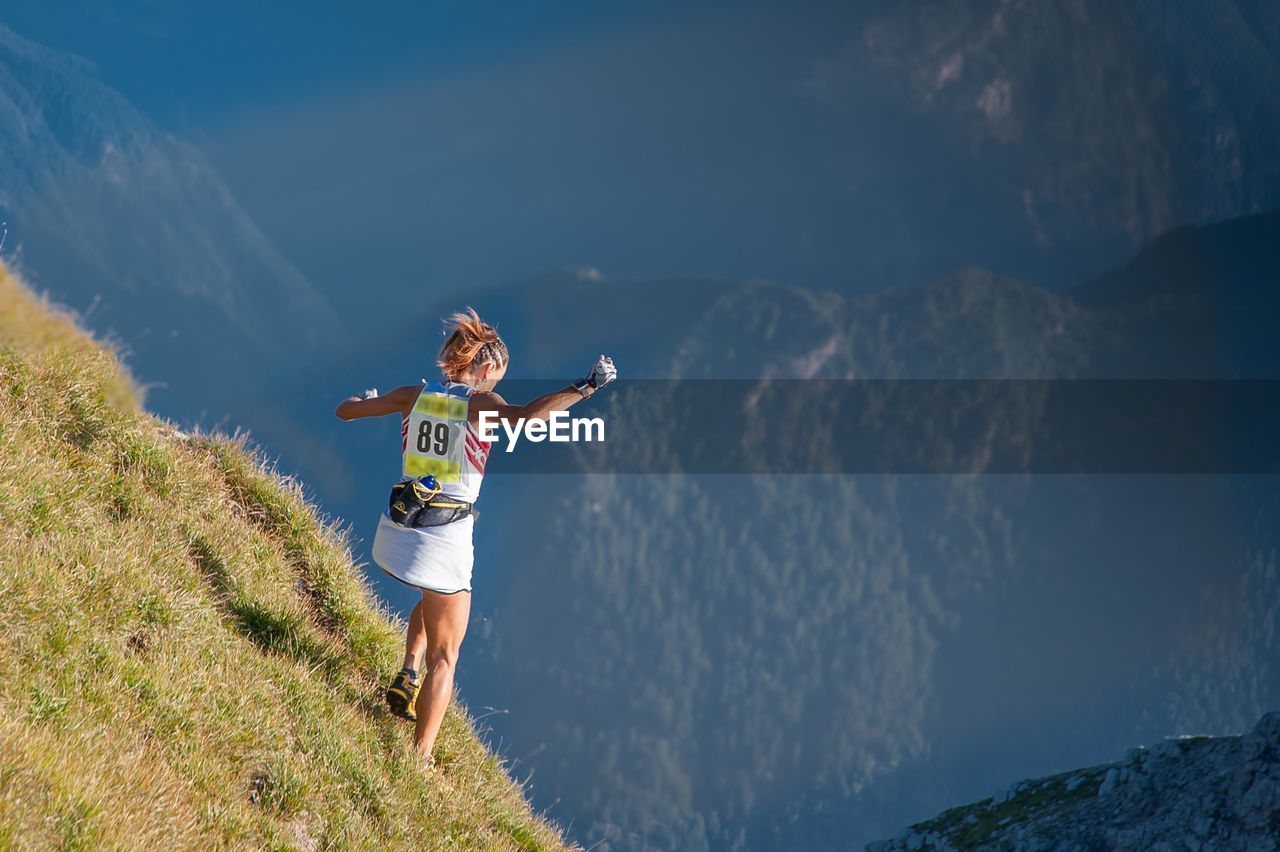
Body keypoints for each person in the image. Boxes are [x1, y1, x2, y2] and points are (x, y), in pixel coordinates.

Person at [334, 308, 616, 767]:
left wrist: (365, 398)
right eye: (496, 376)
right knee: (446, 655)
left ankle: (408, 670)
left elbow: (345, 411)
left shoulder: (412, 396)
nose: (494, 385)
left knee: (435, 599)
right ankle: (419, 759)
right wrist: (584, 388)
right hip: (443, 539)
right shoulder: (480, 404)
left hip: (394, 532)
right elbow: (525, 417)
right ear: (486, 369)